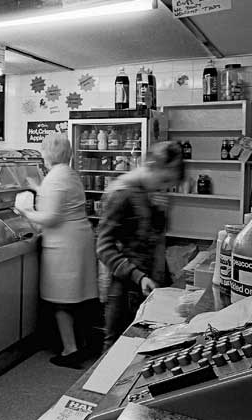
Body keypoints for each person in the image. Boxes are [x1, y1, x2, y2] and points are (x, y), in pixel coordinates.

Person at [14, 133, 97, 369]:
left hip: (64, 245)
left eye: (42, 149)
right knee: (76, 297)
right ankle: (82, 343)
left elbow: (50, 217)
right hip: (78, 239)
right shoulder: (69, 174)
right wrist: (38, 188)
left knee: (62, 300)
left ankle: (70, 349)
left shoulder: (54, 178)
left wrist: (25, 213)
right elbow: (59, 200)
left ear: (47, 153)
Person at [96, 140, 185, 350]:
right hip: (124, 289)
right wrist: (139, 276)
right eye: (163, 179)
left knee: (141, 347)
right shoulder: (122, 193)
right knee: (117, 349)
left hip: (145, 286)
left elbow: (148, 236)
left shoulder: (145, 192)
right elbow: (104, 246)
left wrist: (161, 214)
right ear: (151, 166)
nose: (164, 187)